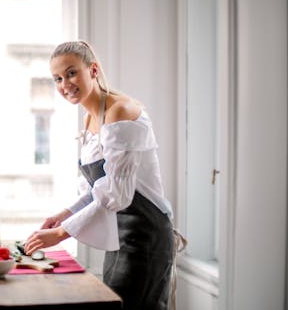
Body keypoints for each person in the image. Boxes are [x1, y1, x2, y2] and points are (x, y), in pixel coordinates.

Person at [24, 40, 184, 310]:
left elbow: (117, 196)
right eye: (58, 78)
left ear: (93, 70)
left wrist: (63, 233)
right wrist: (63, 215)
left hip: (146, 236)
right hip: (119, 236)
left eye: (72, 73)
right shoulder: (90, 118)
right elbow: (95, 189)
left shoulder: (120, 112)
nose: (65, 84)